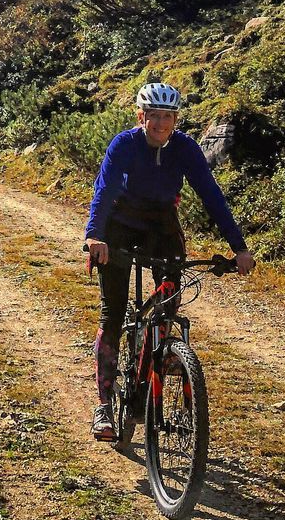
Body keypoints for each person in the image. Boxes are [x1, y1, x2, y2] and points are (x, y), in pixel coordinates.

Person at [83, 81, 255, 439]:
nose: (161, 125)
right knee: (112, 312)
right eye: (154, 117)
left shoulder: (185, 148)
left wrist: (238, 247)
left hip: (161, 226)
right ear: (141, 116)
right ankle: (103, 405)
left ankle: (161, 357)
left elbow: (211, 195)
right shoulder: (124, 145)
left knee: (168, 305)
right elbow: (105, 189)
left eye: (168, 117)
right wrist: (95, 235)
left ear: (176, 119)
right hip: (119, 226)